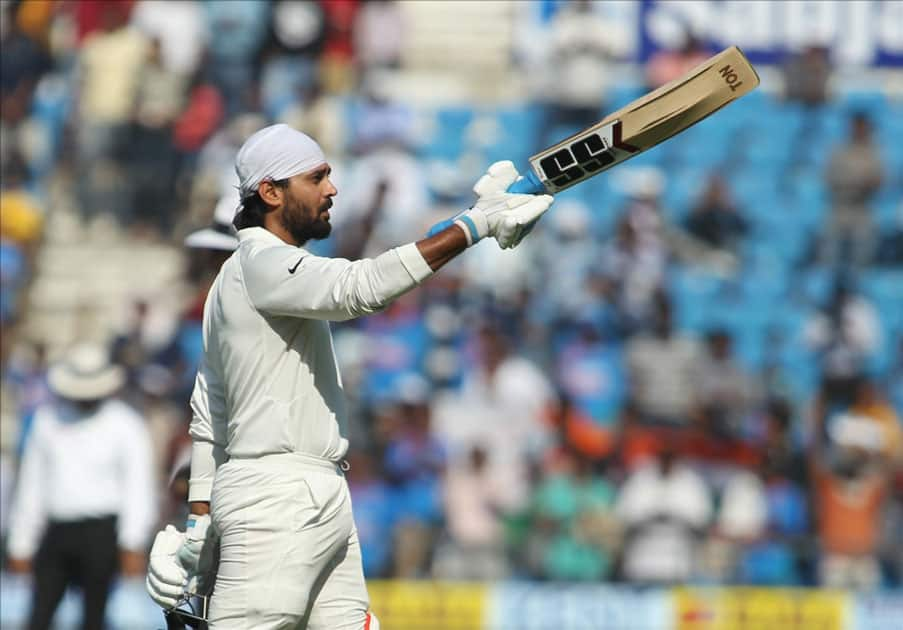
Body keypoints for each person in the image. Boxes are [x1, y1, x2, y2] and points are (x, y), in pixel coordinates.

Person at [144, 123, 554, 628]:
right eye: (316, 178)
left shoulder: (238, 281)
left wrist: (199, 520)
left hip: (315, 495)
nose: (333, 190)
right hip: (277, 497)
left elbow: (210, 413)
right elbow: (359, 288)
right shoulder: (259, 263)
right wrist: (474, 226)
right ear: (271, 192)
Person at [6, 343, 157, 630]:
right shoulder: (47, 421)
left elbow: (138, 488)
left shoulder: (125, 424)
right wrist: (21, 542)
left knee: (94, 618)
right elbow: (32, 486)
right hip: (57, 531)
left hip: (100, 533)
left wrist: (132, 541)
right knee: (39, 614)